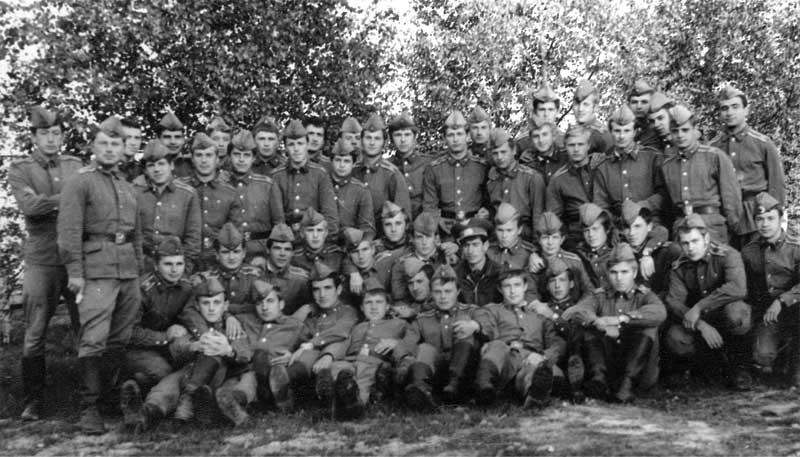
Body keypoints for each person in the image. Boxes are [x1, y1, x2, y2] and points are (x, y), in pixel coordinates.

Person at [58, 115, 144, 434]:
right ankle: (89, 408)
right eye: (104, 143)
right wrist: (75, 272)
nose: (109, 149)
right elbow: (69, 231)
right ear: (93, 147)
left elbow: (135, 233)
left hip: (127, 270)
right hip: (96, 270)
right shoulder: (81, 182)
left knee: (119, 337)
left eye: (115, 144)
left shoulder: (126, 185)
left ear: (124, 148)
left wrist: (138, 269)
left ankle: (108, 399)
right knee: (94, 337)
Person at [9, 105, 83, 421]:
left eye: (56, 133)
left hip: (75, 258)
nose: (51, 139)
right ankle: (33, 401)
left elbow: (87, 202)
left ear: (62, 136)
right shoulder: (21, 169)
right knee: (35, 331)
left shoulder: (75, 165)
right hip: (42, 259)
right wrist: (68, 200)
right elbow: (30, 206)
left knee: (86, 327)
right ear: (34, 137)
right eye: (44, 133)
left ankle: (89, 398)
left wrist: (51, 203)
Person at [563, 243, 666, 403]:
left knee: (648, 327)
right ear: (607, 273)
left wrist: (622, 319)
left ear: (634, 272)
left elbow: (660, 312)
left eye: (624, 272)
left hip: (638, 371)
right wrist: (599, 323)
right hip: (609, 365)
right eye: (614, 272)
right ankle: (598, 379)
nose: (619, 278)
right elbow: (578, 311)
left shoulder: (644, 295)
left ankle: (627, 386)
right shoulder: (600, 295)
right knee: (587, 326)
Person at [662, 214, 752, 390]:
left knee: (736, 314)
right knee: (676, 338)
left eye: (695, 241)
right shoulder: (679, 266)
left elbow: (738, 288)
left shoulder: (728, 255)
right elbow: (673, 301)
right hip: (701, 321)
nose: (690, 248)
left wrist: (699, 306)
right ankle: (703, 368)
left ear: (706, 239)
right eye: (685, 243)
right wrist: (700, 324)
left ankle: (740, 368)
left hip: (725, 315)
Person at [118, 238, 194, 431]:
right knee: (162, 372)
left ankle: (148, 401)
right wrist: (165, 337)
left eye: (179, 264)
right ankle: (129, 394)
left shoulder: (185, 287)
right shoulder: (142, 289)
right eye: (168, 264)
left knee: (186, 359)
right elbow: (128, 332)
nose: (174, 270)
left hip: (166, 348)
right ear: (156, 265)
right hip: (136, 349)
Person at [470, 267, 567, 407]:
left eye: (517, 285)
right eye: (507, 286)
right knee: (496, 346)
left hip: (531, 360)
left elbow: (556, 343)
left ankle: (534, 395)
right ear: (500, 289)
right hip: (505, 360)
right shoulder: (492, 310)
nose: (512, 291)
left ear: (525, 286)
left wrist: (543, 357)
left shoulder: (539, 315)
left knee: (537, 371)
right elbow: (487, 328)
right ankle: (484, 388)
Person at [329, 278, 419, 420]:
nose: (374, 307)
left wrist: (396, 343)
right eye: (368, 303)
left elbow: (412, 339)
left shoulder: (399, 324)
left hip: (374, 362)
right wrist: (331, 357)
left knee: (364, 379)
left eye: (379, 302)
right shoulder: (358, 326)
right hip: (350, 360)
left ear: (387, 306)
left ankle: (353, 405)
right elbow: (345, 344)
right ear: (362, 307)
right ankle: (341, 400)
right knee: (337, 369)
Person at [220, 280, 311, 421]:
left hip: (272, 378)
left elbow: (308, 347)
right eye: (259, 303)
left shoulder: (295, 326)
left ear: (281, 304)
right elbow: (222, 309)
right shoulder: (245, 320)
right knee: (234, 385)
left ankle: (243, 402)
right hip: (242, 371)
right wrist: (228, 317)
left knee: (254, 373)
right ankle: (238, 405)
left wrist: (292, 355)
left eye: (270, 301)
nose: (264, 307)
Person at [711, 86, 785, 249]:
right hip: (724, 220)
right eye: (724, 108)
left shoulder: (762, 143)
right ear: (720, 114)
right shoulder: (712, 148)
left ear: (746, 110)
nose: (730, 112)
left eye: (735, 106)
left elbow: (777, 187)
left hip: (756, 217)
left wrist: (775, 221)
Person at [402, 265, 484, 408]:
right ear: (431, 293)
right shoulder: (422, 319)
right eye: (438, 292)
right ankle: (419, 390)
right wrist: (404, 361)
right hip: (437, 373)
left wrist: (474, 325)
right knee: (425, 348)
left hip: (467, 372)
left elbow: (490, 325)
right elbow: (407, 343)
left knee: (465, 328)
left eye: (448, 291)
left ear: (458, 291)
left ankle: (457, 387)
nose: (443, 297)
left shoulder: (472, 312)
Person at [659, 105, 742, 244]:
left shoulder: (714, 156)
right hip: (682, 229)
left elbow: (731, 197)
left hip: (711, 227)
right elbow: (668, 206)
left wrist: (734, 227)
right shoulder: (667, 166)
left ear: (694, 129)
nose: (680, 135)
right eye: (675, 131)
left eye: (685, 130)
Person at [740, 193, 800, 385]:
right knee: (763, 355)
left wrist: (782, 300)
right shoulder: (749, 251)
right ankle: (780, 359)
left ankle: (796, 368)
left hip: (794, 308)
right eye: (760, 219)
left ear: (781, 219)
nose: (765, 224)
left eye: (770, 218)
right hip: (768, 314)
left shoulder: (795, 247)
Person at [286, 263, 359, 408]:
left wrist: (310, 345)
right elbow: (294, 336)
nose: (322, 295)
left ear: (338, 289)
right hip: (309, 366)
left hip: (337, 361)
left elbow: (340, 332)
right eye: (316, 290)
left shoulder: (347, 312)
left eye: (327, 288)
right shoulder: (311, 314)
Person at [134, 139, 202, 273]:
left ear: (171, 165)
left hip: (175, 266)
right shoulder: (135, 193)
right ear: (145, 170)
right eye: (151, 165)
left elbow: (193, 237)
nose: (157, 169)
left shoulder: (187, 194)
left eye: (161, 164)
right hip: (143, 265)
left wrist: (185, 269)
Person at [179, 132, 242, 268]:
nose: (204, 160)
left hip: (218, 261)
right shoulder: (180, 189)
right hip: (184, 260)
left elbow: (235, 231)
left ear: (217, 159)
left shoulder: (230, 193)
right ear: (192, 159)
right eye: (199, 155)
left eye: (209, 155)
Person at [592, 105, 664, 220]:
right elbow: (601, 204)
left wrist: (642, 207)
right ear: (611, 132)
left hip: (649, 221)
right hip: (617, 224)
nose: (621, 136)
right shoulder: (603, 167)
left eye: (626, 131)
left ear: (634, 132)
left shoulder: (651, 157)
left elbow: (663, 193)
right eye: (617, 131)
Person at [422, 110, 489, 230]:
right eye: (450, 135)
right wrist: (437, 222)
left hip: (476, 226)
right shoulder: (434, 169)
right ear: (444, 138)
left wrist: (487, 211)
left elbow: (490, 199)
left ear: (467, 136)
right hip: (445, 228)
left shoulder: (481, 167)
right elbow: (429, 206)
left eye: (459, 134)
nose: (455, 139)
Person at [271, 119, 339, 236]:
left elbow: (330, 215)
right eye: (291, 144)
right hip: (285, 237)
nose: (296, 149)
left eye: (300, 143)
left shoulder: (320, 174)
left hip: (314, 236)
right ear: (286, 148)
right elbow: (277, 217)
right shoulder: (277, 176)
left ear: (307, 145)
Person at [227, 129, 285, 259]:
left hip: (261, 250)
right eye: (236, 154)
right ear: (229, 156)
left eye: (246, 155)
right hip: (230, 251)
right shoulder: (222, 185)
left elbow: (279, 225)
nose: (241, 160)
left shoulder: (267, 185)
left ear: (253, 158)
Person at [546, 125, 605, 247]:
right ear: (565, 147)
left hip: (605, 230)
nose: (576, 149)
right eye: (571, 145)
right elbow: (554, 218)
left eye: (580, 144)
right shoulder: (558, 180)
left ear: (588, 146)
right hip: (577, 238)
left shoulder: (601, 167)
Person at [486, 127, 545, 240]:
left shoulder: (531, 177)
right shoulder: (491, 180)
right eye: (495, 153)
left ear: (513, 151)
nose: (499, 157)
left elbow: (538, 215)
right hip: (499, 235)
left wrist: (536, 243)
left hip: (524, 235)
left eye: (503, 152)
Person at [353, 113, 412, 223]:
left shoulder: (392, 174)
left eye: (377, 138)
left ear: (384, 143)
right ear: (361, 141)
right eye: (368, 138)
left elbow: (403, 217)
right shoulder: (353, 171)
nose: (372, 143)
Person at [389, 112, 433, 218]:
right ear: (391, 138)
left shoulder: (428, 163)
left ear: (415, 137)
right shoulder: (387, 166)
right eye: (398, 135)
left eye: (407, 134)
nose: (403, 140)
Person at [330, 138, 375, 237]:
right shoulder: (322, 184)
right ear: (331, 161)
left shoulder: (361, 191)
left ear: (353, 164)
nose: (342, 165)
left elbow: (367, 227)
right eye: (338, 160)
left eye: (346, 161)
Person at [453, 218, 503, 306]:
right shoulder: (455, 274)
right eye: (466, 245)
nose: (470, 251)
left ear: (485, 246)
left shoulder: (499, 273)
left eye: (475, 244)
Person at [291, 208, 345, 274]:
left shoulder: (337, 255)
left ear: (326, 233)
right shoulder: (295, 258)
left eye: (319, 230)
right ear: (302, 233)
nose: (315, 235)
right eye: (310, 230)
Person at [572, 79, 613, 155]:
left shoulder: (602, 135)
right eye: (577, 104)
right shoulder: (573, 132)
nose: (580, 109)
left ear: (595, 108)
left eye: (586, 104)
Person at [628, 79, 661, 149]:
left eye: (644, 102)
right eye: (634, 102)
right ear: (629, 105)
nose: (639, 106)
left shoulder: (660, 129)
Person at [156, 112, 191, 177]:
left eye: (177, 137)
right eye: (167, 137)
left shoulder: (194, 165)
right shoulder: (147, 167)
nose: (173, 142)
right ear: (158, 139)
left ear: (183, 140)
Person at [119, 117, 144, 182]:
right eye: (128, 137)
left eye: (137, 138)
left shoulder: (144, 170)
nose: (133, 143)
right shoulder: (104, 168)